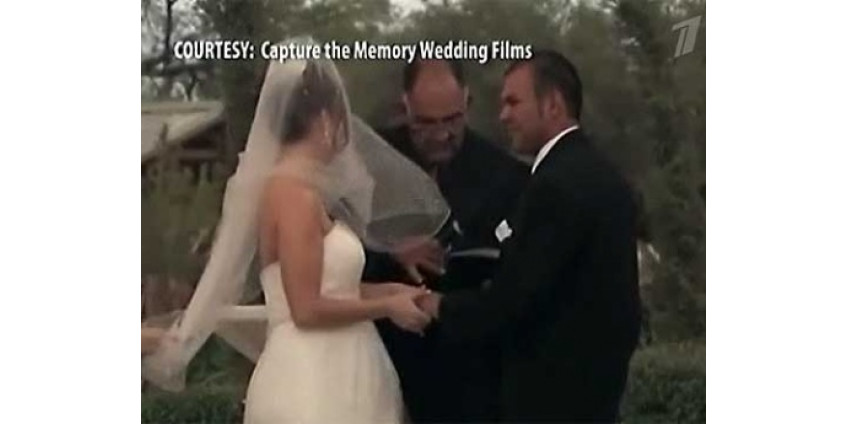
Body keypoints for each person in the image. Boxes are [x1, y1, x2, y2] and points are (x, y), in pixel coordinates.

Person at [143, 38, 452, 424]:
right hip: (314, 379)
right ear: (326, 119)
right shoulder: (292, 195)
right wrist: (386, 308)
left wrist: (390, 291)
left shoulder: (303, 191)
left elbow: (329, 287)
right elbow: (305, 309)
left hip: (344, 368)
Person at [417, 50, 643, 422]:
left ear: (552, 104)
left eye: (513, 102)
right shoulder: (604, 175)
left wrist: (437, 305)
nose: (503, 115)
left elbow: (512, 299)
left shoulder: (554, 186)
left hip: (551, 402)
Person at [364, 59, 529, 422]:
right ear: (405, 106)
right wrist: (390, 252)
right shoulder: (368, 160)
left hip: (470, 374)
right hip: (381, 356)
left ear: (467, 102)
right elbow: (333, 251)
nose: (440, 135)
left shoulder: (504, 173)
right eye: (425, 123)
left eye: (451, 120)